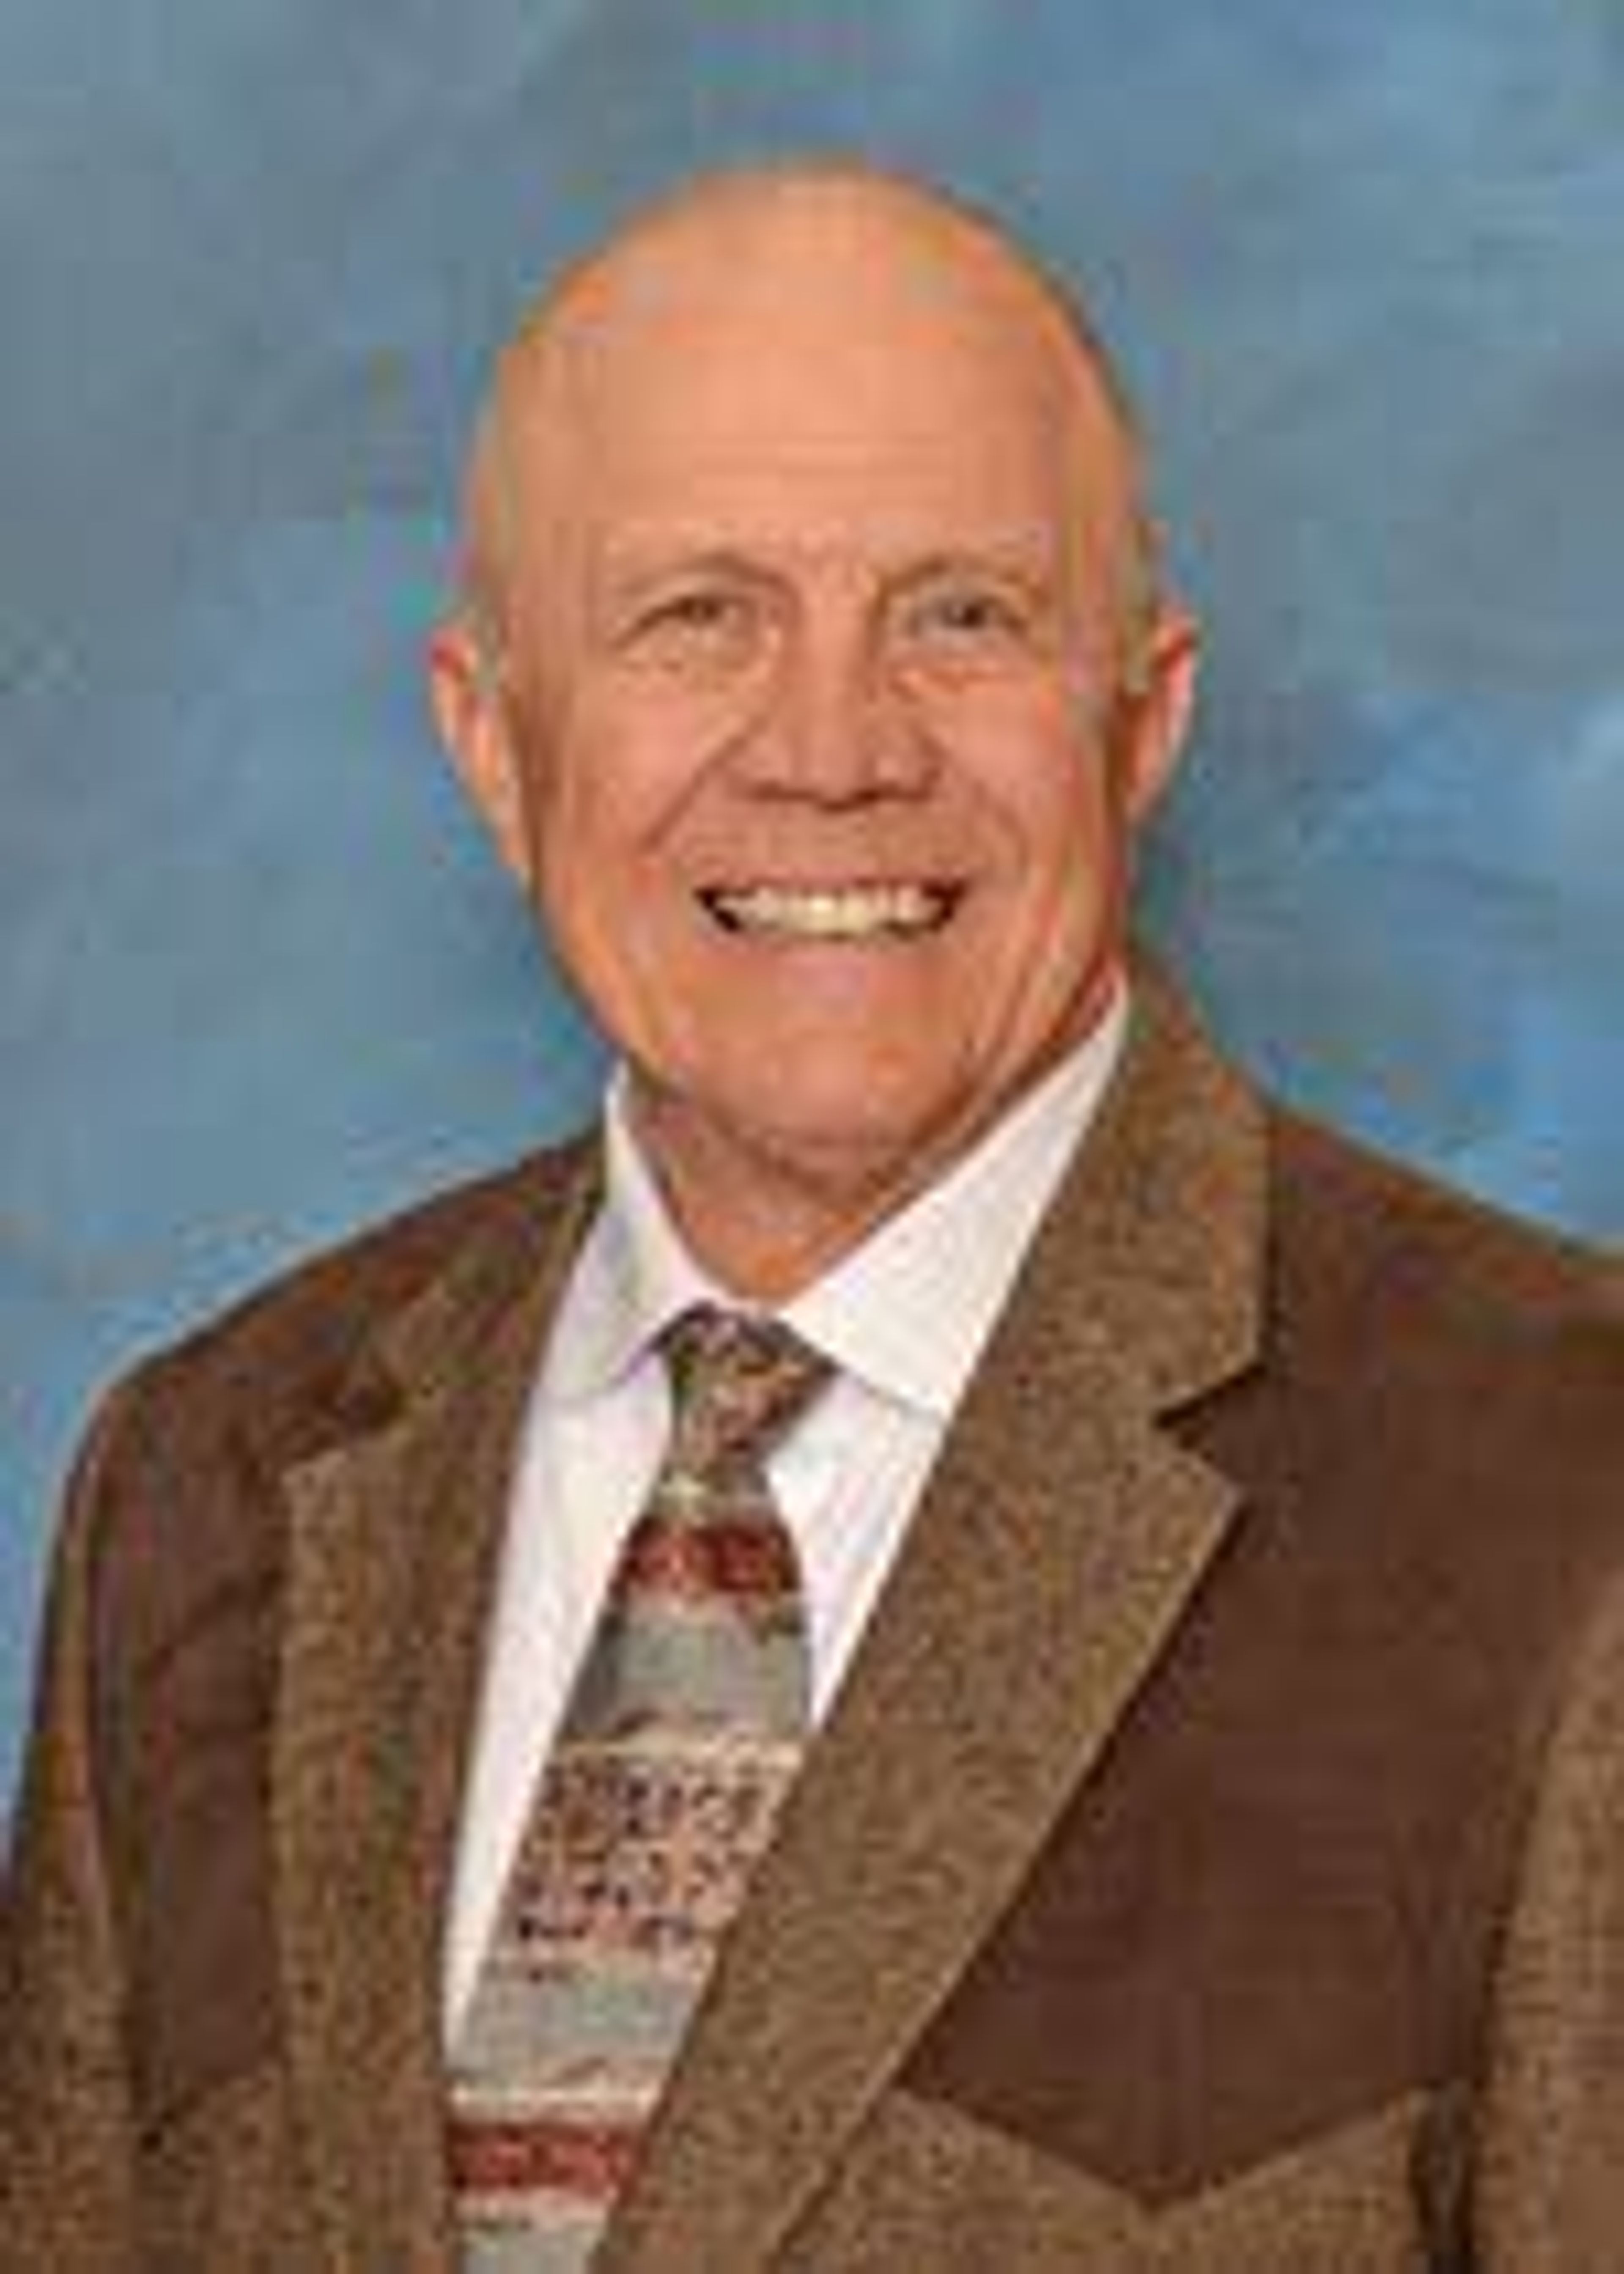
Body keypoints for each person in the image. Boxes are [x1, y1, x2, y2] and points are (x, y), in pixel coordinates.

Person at [1, 164, 1619, 2274]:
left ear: (1146, 718)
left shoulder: (1560, 1494)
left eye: (962, 614)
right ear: (493, 744)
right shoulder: (202, 1487)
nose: (835, 751)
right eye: (699, 615)